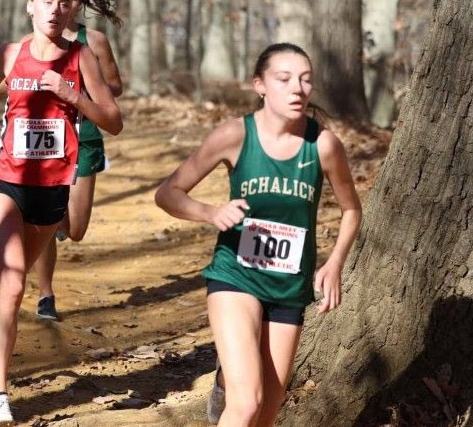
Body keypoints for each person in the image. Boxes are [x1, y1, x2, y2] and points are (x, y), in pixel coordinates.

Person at [154, 43, 362, 427]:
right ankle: (229, 381)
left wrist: (335, 265)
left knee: (266, 412)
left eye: (305, 80)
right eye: (284, 79)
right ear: (260, 85)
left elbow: (352, 210)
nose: (297, 89)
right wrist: (211, 212)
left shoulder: (324, 145)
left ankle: (224, 378)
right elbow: (167, 193)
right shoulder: (234, 135)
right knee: (247, 402)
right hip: (236, 275)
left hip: (289, 286)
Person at [0, 0, 123, 427]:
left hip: (52, 188)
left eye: (62, 4)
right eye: (45, 1)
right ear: (30, 7)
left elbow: (113, 120)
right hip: (2, 180)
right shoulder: (11, 54)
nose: (55, 10)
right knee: (14, 282)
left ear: (72, 10)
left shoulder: (82, 58)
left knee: (10, 288)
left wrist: (72, 95)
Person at [30, 0, 123, 321]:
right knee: (46, 217)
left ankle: (56, 222)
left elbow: (115, 87)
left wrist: (84, 91)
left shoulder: (93, 41)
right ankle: (46, 295)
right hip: (45, 140)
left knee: (76, 229)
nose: (60, 7)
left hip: (85, 139)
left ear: (78, 4)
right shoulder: (34, 39)